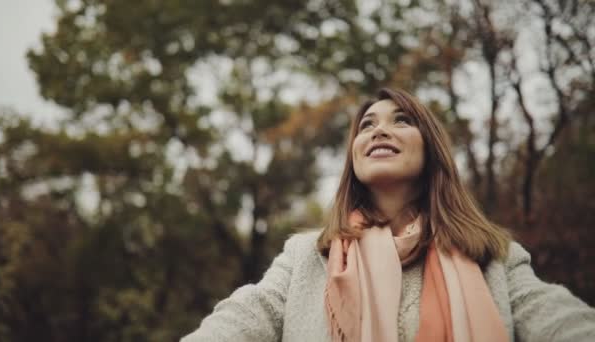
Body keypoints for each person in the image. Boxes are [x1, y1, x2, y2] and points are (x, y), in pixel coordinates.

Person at [181, 88, 595, 342]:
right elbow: (247, 317)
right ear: (354, 158)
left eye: (402, 121)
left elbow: (560, 321)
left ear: (430, 149)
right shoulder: (308, 255)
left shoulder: (494, 258)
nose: (379, 130)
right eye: (367, 125)